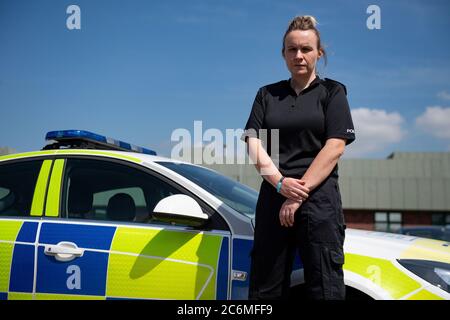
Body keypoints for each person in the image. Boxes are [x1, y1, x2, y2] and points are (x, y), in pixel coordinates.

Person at [242, 15, 355, 300]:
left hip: (319, 203)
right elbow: (253, 141)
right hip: (273, 198)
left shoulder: (333, 92)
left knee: (324, 288)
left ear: (319, 53)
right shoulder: (266, 94)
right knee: (264, 288)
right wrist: (280, 184)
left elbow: (335, 147)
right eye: (292, 49)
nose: (299, 56)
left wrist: (296, 194)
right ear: (283, 54)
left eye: (306, 49)